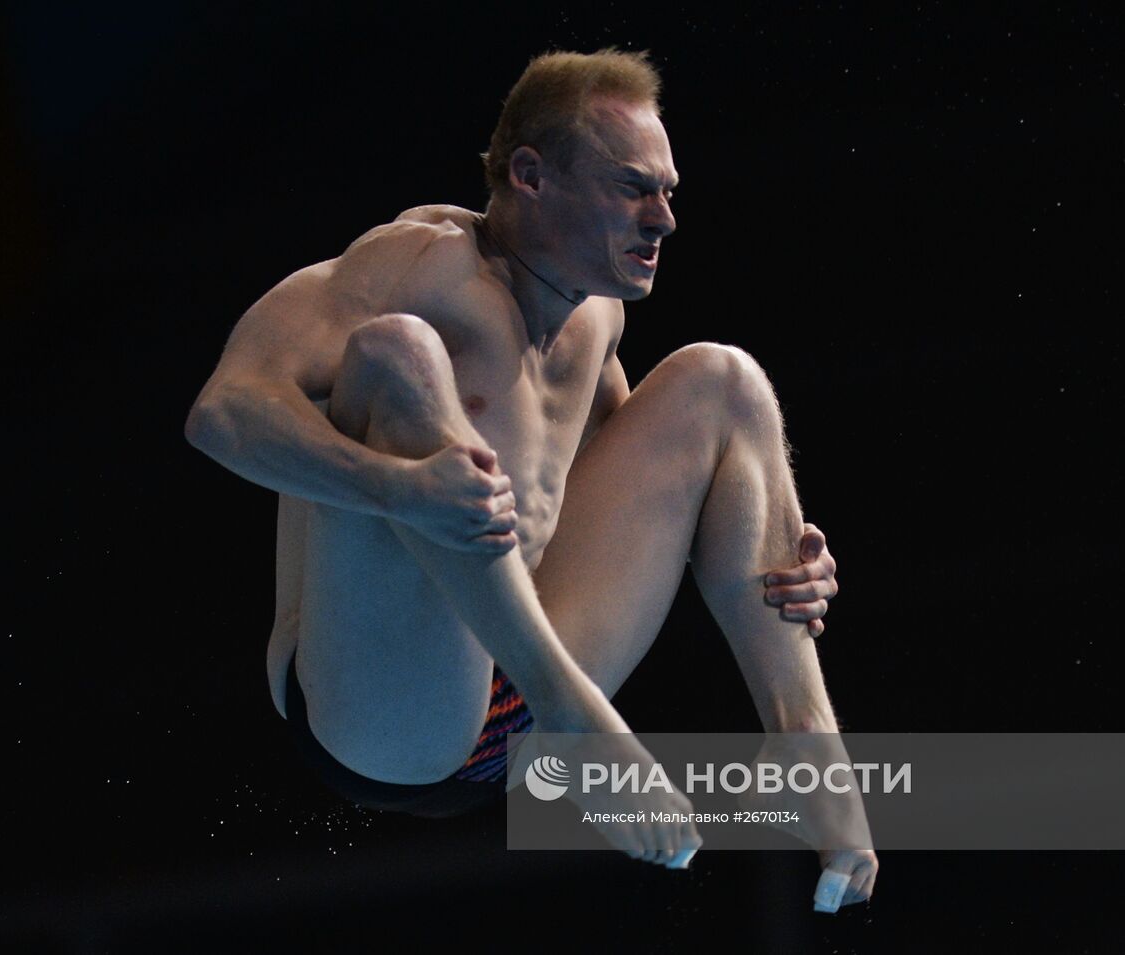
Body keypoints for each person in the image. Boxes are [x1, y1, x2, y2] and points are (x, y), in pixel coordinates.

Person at [185, 47, 876, 904]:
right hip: (382, 719)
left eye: (668, 191)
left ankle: (809, 751)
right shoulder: (417, 264)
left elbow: (644, 499)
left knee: (723, 382)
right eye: (633, 187)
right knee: (399, 354)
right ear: (530, 175)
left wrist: (778, 545)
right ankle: (579, 721)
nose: (663, 218)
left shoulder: (599, 322)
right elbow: (223, 413)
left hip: (519, 697)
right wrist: (391, 485)